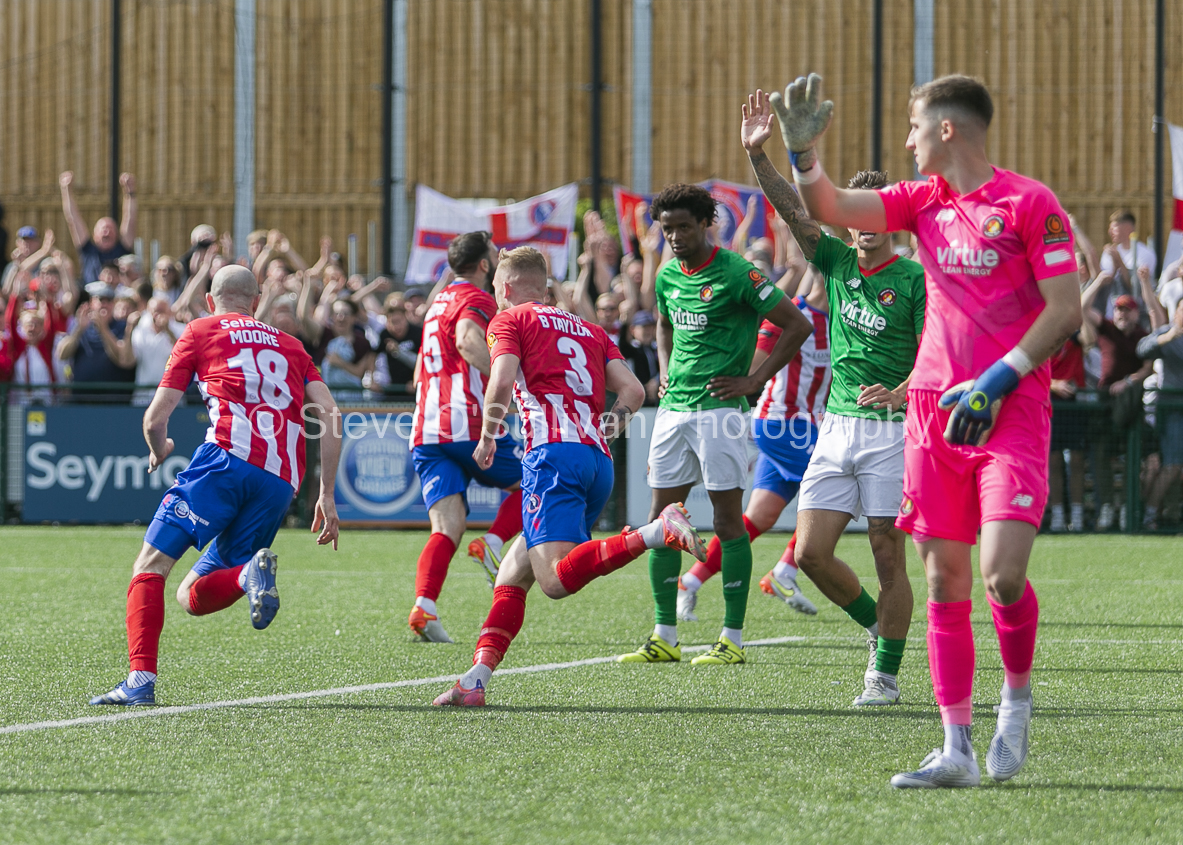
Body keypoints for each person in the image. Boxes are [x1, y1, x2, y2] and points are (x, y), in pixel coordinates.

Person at [777, 72, 1083, 786]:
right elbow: (826, 206)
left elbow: (1064, 308)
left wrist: (998, 377)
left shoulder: (1030, 203)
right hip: (929, 416)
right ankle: (955, 748)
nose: (907, 140)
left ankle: (1014, 700)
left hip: (1008, 412)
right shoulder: (920, 202)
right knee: (944, 579)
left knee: (1001, 576)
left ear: (947, 129)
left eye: (914, 126)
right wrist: (801, 153)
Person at [432, 247, 706, 707]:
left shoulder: (510, 320)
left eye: (498, 290)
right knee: (512, 576)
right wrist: (605, 431)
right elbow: (634, 391)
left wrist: (489, 434)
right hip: (595, 460)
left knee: (556, 581)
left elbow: (500, 382)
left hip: (551, 458)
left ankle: (657, 531)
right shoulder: (591, 329)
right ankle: (475, 680)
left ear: (505, 288)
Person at [740, 90, 925, 705]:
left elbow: (938, 349)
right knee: (813, 555)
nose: (863, 230)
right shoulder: (837, 260)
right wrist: (759, 155)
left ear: (890, 224)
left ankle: (886, 675)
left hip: (892, 431)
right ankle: (879, 629)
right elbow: (794, 211)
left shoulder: (915, 277)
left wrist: (902, 392)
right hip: (836, 427)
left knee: (885, 548)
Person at [89, 265, 341, 706]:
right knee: (191, 595)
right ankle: (247, 575)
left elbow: (155, 416)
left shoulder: (201, 329)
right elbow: (332, 417)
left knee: (149, 566)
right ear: (256, 301)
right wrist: (327, 494)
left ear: (210, 300)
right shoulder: (294, 347)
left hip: (225, 461)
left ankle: (140, 681)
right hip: (280, 482)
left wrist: (159, 445)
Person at [618, 182, 812, 666]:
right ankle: (664, 634)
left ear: (706, 224)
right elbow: (663, 324)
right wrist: (663, 369)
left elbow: (797, 325)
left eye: (684, 227)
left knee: (727, 521)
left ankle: (732, 638)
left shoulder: (738, 272)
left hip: (721, 413)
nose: (676, 237)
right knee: (661, 521)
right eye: (668, 229)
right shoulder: (666, 276)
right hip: (673, 410)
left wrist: (755, 380)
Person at [407, 231, 524, 642]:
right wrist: (508, 380)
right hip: (467, 421)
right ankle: (493, 542)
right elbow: (469, 341)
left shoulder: (436, 303)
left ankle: (424, 606)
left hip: (427, 427)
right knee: (536, 482)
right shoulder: (475, 298)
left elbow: (420, 368)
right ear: (484, 265)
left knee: (447, 527)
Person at [1080, 281, 1153, 530]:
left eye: (1127, 309)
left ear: (1135, 313)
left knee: (1136, 457)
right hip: (1105, 402)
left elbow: (1148, 366)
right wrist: (1100, 279)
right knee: (1101, 454)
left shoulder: (1142, 335)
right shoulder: (1107, 328)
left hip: (1130, 405)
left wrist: (1129, 381)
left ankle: (1128, 508)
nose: (1122, 313)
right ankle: (1108, 507)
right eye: (1119, 309)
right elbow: (1082, 306)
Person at [1136, 295, 1183, 529]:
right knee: (1172, 465)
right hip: (1172, 409)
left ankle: (1172, 513)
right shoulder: (1167, 333)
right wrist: (1167, 338)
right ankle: (1149, 516)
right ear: (1176, 313)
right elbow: (1142, 350)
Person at [58, 171, 137, 283]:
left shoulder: (122, 249)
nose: (106, 232)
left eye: (110, 229)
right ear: (95, 235)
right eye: (103, 229)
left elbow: (130, 219)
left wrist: (130, 191)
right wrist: (65, 190)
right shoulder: (88, 250)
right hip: (92, 297)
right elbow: (73, 219)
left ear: (117, 235)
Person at [130, 297, 187, 405]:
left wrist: (168, 330)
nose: (157, 315)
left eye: (161, 311)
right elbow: (129, 360)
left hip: (172, 400)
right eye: (155, 311)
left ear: (169, 312)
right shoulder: (139, 331)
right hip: (143, 398)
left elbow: (183, 356)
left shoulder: (182, 329)